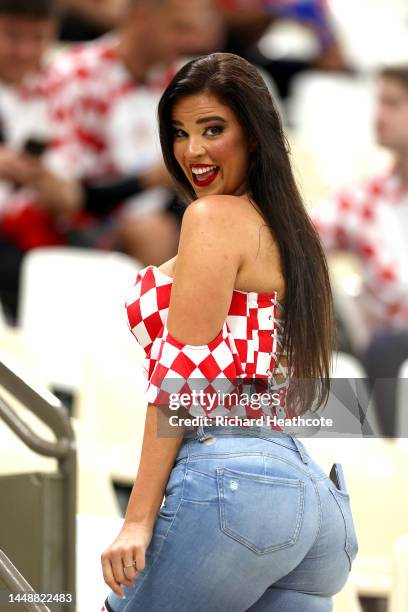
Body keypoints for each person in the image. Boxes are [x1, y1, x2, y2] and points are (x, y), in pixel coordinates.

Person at [100, 52, 358, 611]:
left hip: (235, 485)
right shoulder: (291, 233)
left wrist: (137, 519)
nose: (192, 151)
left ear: (256, 135)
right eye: (179, 133)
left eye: (212, 130)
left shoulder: (213, 219)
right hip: (312, 502)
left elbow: (183, 380)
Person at [311, 64, 408, 437]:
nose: (378, 116)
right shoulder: (366, 198)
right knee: (384, 349)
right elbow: (299, 240)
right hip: (387, 349)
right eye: (378, 102)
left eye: (393, 103)